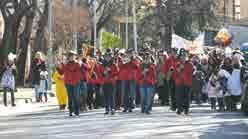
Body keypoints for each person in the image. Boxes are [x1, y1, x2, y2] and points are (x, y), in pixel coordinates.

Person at [174, 49, 193, 115]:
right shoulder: (177, 64)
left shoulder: (190, 64)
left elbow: (190, 73)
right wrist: (178, 71)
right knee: (179, 97)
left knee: (186, 97)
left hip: (187, 83)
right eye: (182, 56)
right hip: (179, 83)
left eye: (184, 56)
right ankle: (179, 109)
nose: (183, 57)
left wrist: (183, 69)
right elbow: (175, 74)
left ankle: (186, 109)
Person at [62, 51, 81, 117]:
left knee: (76, 97)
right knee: (70, 97)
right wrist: (60, 64)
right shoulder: (66, 64)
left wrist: (79, 62)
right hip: (68, 82)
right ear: (68, 57)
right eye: (70, 56)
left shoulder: (77, 63)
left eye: (73, 56)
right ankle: (71, 111)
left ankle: (77, 111)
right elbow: (61, 72)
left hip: (76, 82)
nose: (72, 57)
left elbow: (74, 69)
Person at [102, 49, 119, 115]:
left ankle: (112, 108)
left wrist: (110, 71)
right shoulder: (102, 64)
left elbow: (117, 73)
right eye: (106, 56)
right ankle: (107, 109)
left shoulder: (114, 65)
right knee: (106, 96)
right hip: (104, 82)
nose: (107, 58)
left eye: (109, 56)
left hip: (112, 82)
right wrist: (104, 73)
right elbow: (100, 73)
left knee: (112, 96)